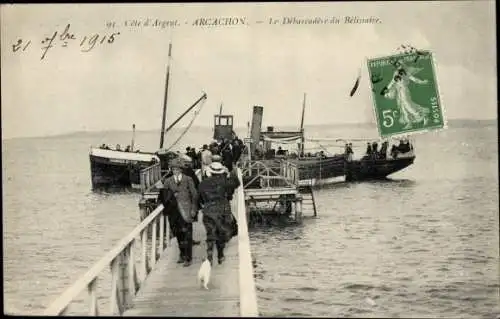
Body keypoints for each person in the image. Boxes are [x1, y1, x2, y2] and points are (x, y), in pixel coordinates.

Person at [157, 158, 199, 267]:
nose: (175, 170)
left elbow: (194, 195)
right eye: (173, 169)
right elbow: (163, 197)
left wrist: (194, 209)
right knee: (178, 234)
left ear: (181, 169)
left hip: (186, 211)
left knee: (187, 234)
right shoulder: (168, 181)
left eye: (177, 169)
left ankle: (188, 258)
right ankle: (182, 254)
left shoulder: (188, 179)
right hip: (174, 213)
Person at [198, 162, 240, 265]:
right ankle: (220, 256)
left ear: (210, 172)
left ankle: (209, 254)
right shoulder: (224, 181)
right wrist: (232, 171)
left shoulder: (203, 183)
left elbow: (199, 197)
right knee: (221, 233)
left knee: (210, 233)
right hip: (222, 209)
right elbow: (236, 183)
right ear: (221, 171)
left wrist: (205, 204)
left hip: (208, 210)